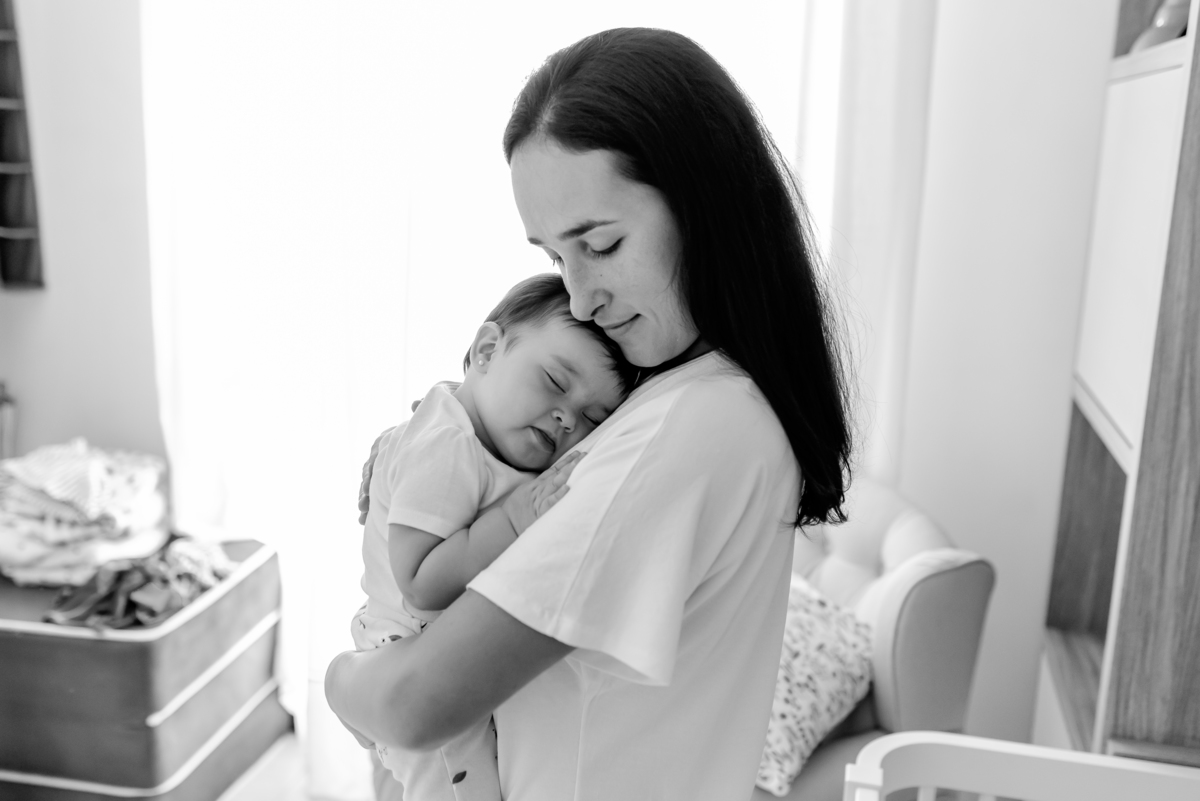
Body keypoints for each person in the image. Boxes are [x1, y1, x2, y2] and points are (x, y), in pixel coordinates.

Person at [327, 27, 852, 801]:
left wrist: (345, 675)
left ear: (703, 204)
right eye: (553, 257)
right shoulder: (702, 400)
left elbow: (413, 705)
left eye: (600, 244)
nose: (579, 296)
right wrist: (434, 450)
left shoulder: (688, 426)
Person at [352, 274, 632, 801]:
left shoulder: (480, 435)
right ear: (485, 351)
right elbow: (419, 582)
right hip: (406, 658)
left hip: (431, 655)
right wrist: (514, 517)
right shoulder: (445, 448)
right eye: (553, 381)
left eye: (593, 418)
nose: (565, 417)